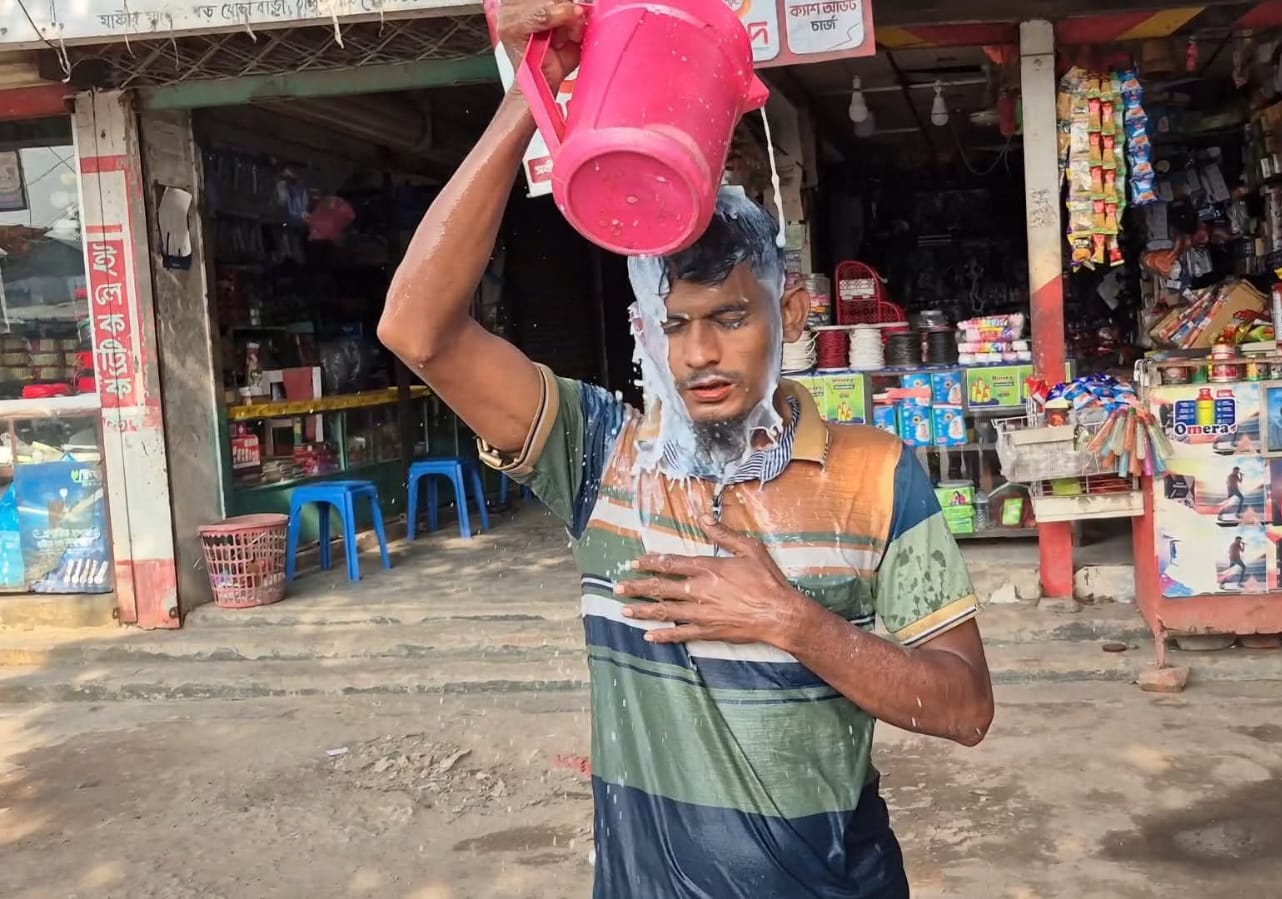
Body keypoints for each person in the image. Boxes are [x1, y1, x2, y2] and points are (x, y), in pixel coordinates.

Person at [377, 4, 994, 896]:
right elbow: (418, 330)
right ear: (644, 330)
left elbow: (966, 707)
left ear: (790, 312)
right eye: (674, 325)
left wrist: (792, 620)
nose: (700, 354)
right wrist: (528, 97)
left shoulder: (876, 471)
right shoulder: (600, 454)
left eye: (730, 317)